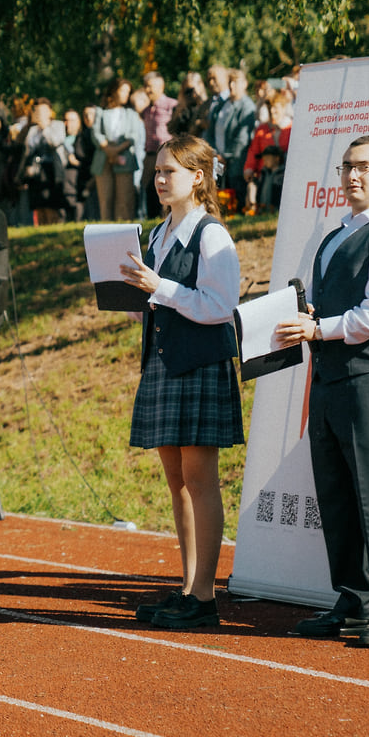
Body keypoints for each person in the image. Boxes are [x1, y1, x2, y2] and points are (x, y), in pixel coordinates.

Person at [277, 135, 369, 648]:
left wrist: (319, 330)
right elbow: (326, 306)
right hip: (334, 380)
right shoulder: (335, 235)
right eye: (346, 167)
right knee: (338, 495)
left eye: (364, 166)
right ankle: (356, 601)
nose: (353, 176)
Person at [119, 134, 243, 629]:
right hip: (165, 363)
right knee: (177, 483)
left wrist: (161, 289)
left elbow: (220, 307)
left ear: (199, 177)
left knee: (199, 480)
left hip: (199, 364)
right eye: (157, 172)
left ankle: (206, 597)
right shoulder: (156, 234)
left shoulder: (211, 234)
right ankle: (188, 587)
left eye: (170, 171)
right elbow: (162, 299)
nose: (161, 179)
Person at [93, 77, 145, 221]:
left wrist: (116, 150)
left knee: (125, 199)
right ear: (114, 91)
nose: (126, 94)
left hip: (125, 158)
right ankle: (106, 230)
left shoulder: (131, 114)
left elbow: (133, 136)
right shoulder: (100, 112)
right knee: (105, 198)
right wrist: (108, 150)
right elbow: (96, 133)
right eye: (123, 91)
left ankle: (124, 229)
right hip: (103, 158)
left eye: (128, 92)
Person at [210, 69, 257, 212]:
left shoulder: (247, 106)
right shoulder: (222, 105)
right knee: (219, 191)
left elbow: (243, 138)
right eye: (229, 82)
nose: (231, 86)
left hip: (237, 159)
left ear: (245, 84)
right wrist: (213, 152)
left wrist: (226, 156)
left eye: (235, 82)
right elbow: (211, 131)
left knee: (236, 193)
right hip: (218, 157)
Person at [16, 98, 67, 224]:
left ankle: (54, 228)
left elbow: (55, 142)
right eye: (37, 111)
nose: (39, 114)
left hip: (52, 171)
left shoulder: (58, 125)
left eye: (42, 111)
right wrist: (21, 173)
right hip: (36, 172)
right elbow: (27, 151)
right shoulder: (33, 130)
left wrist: (45, 127)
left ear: (50, 111)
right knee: (38, 205)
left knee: (51, 204)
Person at [242, 93, 293, 214]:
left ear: (283, 108)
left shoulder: (291, 128)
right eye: (270, 107)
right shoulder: (262, 129)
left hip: (285, 172)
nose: (272, 110)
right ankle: (262, 209)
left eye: (275, 107)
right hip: (264, 172)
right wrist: (249, 168)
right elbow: (254, 151)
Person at [141, 72, 178, 221]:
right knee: (150, 188)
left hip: (167, 154)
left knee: (166, 187)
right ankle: (152, 220)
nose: (147, 90)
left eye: (150, 86)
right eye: (145, 87)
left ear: (161, 86)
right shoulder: (145, 110)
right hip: (150, 155)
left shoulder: (172, 105)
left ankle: (167, 218)